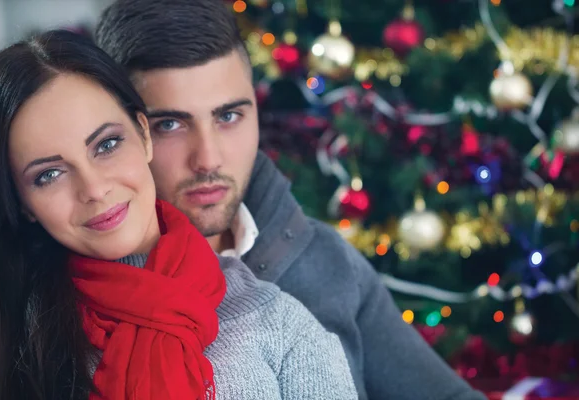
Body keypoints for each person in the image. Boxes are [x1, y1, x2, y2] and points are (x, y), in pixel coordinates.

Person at [95, 1, 488, 399]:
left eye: (228, 116)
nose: (208, 158)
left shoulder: (325, 257)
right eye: (170, 124)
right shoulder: (62, 300)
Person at [0, 30, 357, 399]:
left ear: (143, 135)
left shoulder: (281, 325)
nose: (94, 189)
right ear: (21, 202)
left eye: (107, 145)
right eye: (49, 175)